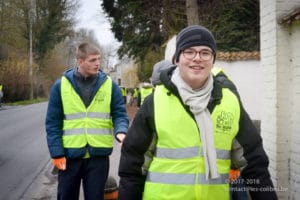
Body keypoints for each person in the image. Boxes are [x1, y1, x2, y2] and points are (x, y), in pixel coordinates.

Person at [118, 25, 277, 200]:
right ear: (177, 59)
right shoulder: (155, 102)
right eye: (189, 52)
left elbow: (255, 164)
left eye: (205, 53)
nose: (197, 58)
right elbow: (132, 167)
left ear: (212, 60)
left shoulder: (230, 102)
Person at [45, 43, 128, 200]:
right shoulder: (60, 86)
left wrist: (121, 131)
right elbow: (52, 124)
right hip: (69, 157)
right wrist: (56, 153)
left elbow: (120, 114)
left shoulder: (110, 85)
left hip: (98, 157)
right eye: (92, 60)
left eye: (98, 59)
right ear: (80, 61)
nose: (98, 63)